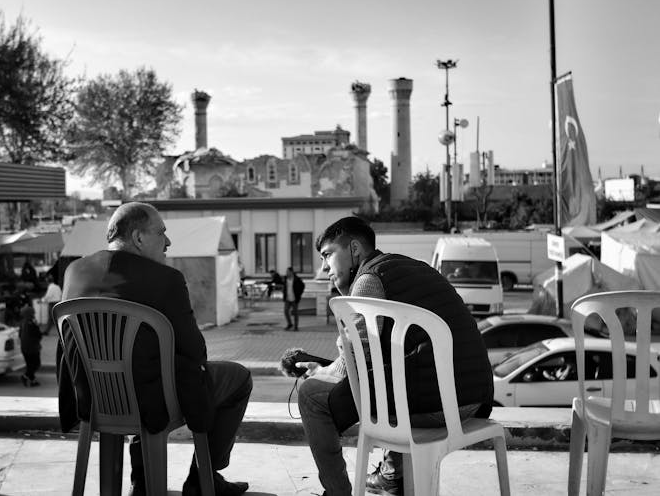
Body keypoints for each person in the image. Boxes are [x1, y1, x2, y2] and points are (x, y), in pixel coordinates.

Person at [57, 202, 252, 496]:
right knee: (238, 378)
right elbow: (196, 352)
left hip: (95, 399)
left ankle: (143, 483)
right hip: (152, 402)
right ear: (138, 238)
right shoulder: (167, 280)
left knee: (149, 369)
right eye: (162, 233)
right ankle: (203, 479)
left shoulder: (74, 271)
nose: (168, 242)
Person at [296, 217, 493, 496]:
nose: (324, 267)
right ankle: (393, 474)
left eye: (328, 255)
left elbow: (353, 365)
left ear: (354, 249)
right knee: (391, 374)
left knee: (311, 396)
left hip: (438, 407)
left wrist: (319, 373)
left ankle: (338, 492)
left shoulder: (369, 279)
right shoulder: (411, 268)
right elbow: (374, 357)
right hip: (474, 399)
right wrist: (327, 366)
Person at [19, 303, 42, 387]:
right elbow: (38, 335)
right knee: (36, 364)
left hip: (24, 348)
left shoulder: (22, 323)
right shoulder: (31, 323)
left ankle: (32, 381)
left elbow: (19, 335)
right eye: (33, 313)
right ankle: (25, 377)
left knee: (30, 365)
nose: (34, 314)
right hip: (32, 348)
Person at [283, 267, 305, 331]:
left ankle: (296, 326)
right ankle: (290, 324)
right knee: (286, 311)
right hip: (287, 298)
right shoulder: (285, 278)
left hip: (294, 299)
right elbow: (284, 287)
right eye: (286, 272)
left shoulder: (297, 279)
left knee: (295, 313)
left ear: (291, 272)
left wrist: (299, 294)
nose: (286, 273)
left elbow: (302, 286)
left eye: (288, 272)